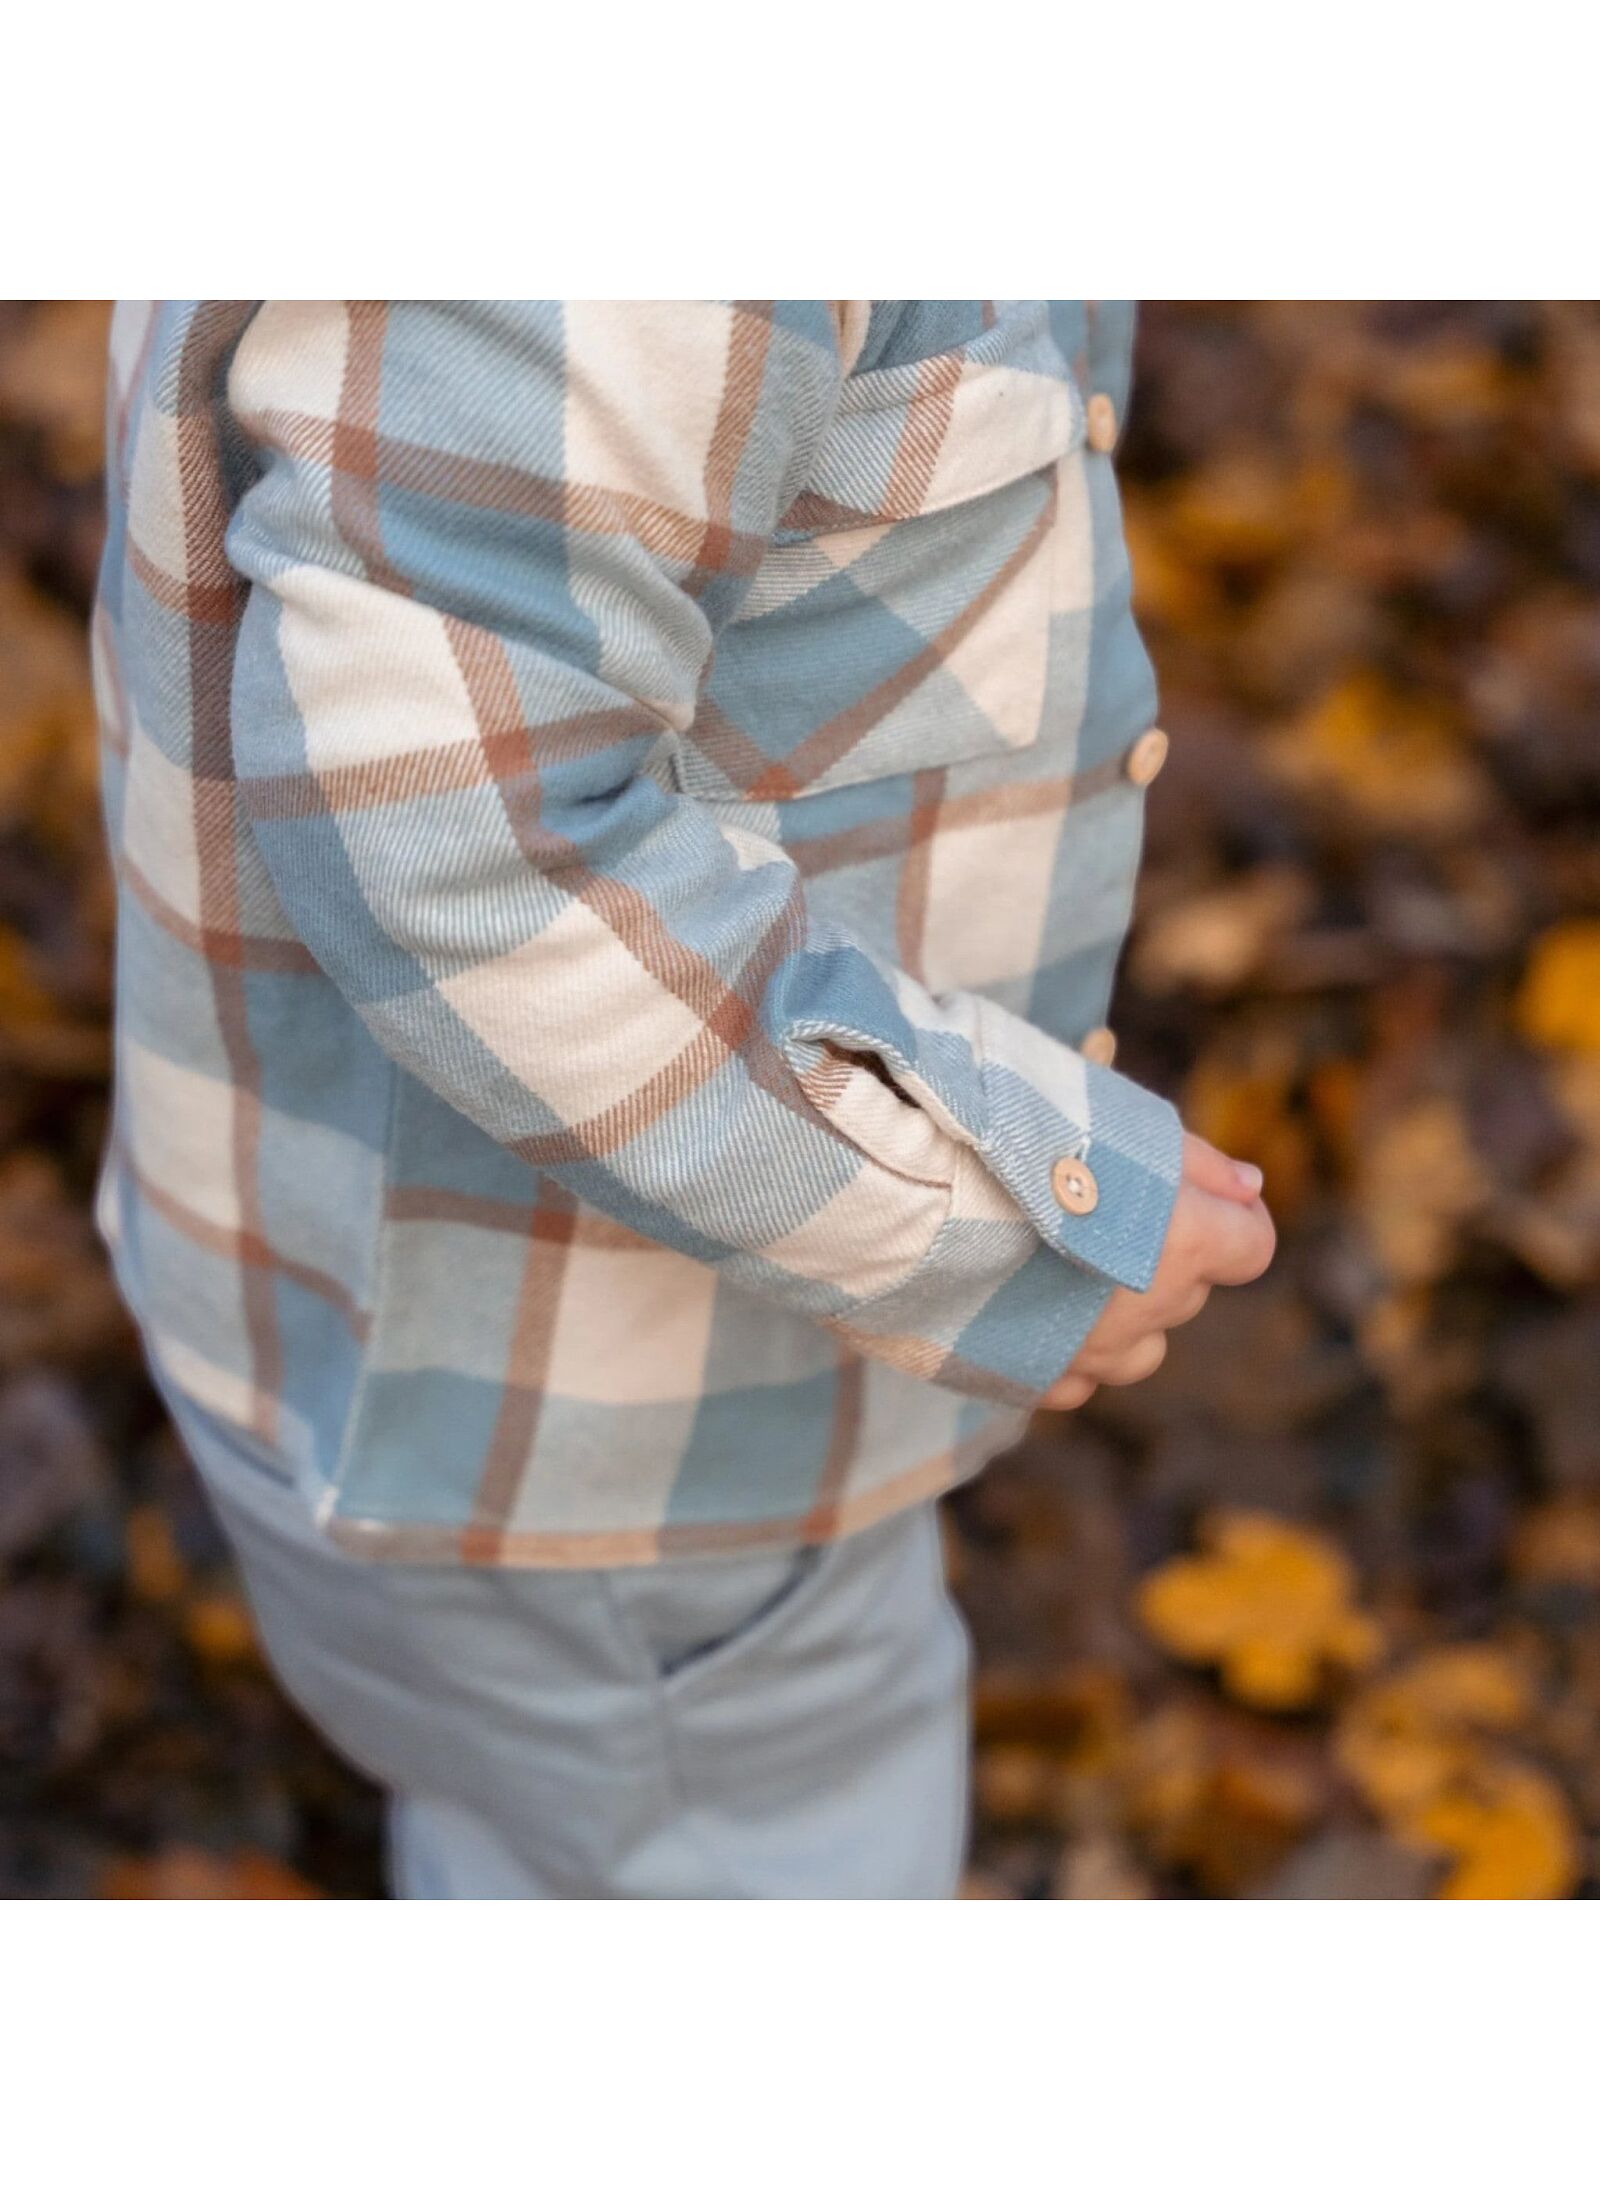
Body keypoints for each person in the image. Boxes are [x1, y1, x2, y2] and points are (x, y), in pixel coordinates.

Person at [93, 300, 1275, 1898]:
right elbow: (462, 841)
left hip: (542, 1389)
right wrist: (1011, 1212)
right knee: (735, 1843)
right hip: (591, 1462)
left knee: (555, 1834)